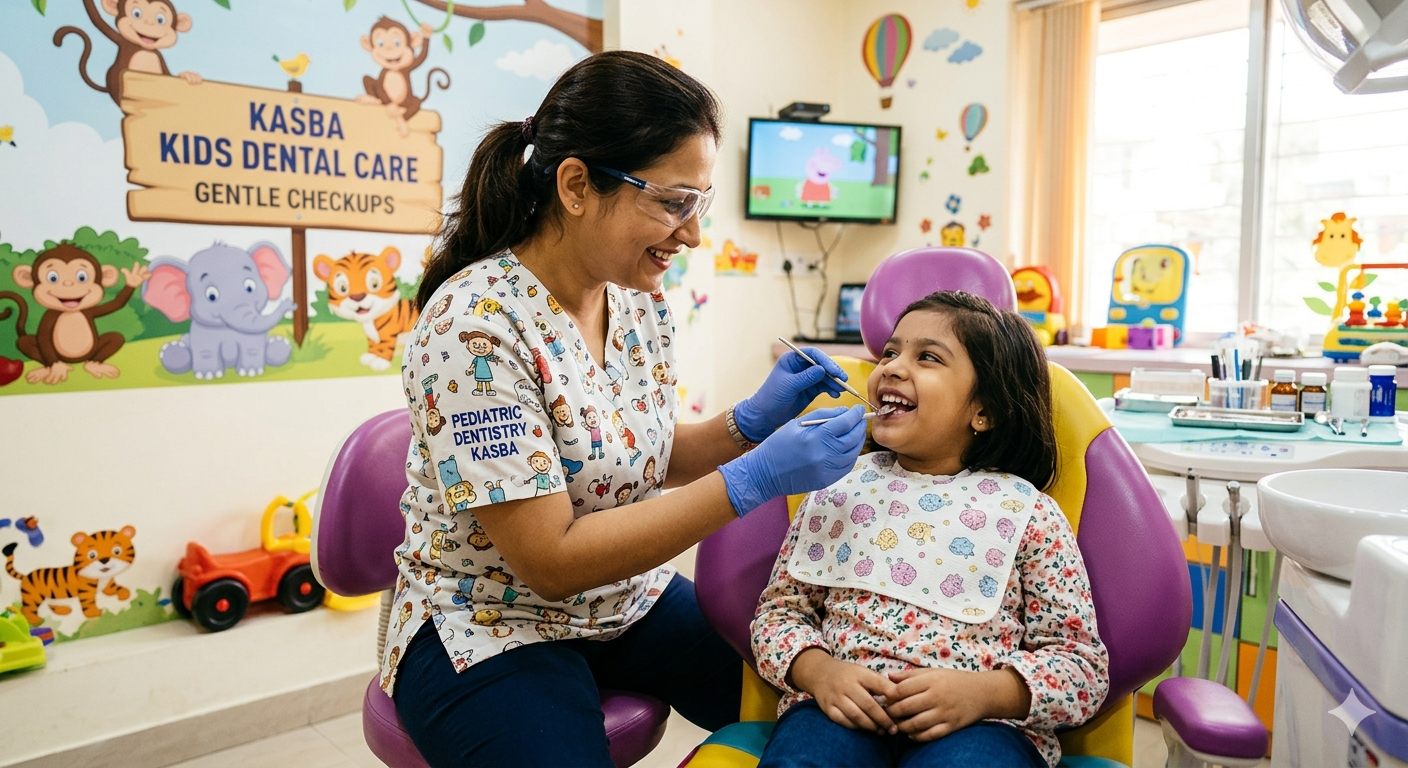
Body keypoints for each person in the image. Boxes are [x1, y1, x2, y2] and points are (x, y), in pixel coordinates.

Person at [383, 50, 870, 767]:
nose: (693, 233)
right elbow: (549, 560)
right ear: (577, 185)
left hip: (620, 600)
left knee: (805, 705)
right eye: (674, 202)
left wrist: (749, 424)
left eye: (698, 204)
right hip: (486, 619)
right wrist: (756, 479)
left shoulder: (636, 298)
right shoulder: (474, 327)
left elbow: (625, 455)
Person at [751, 292, 1109, 768]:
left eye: (928, 357)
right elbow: (778, 615)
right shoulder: (836, 487)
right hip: (832, 714)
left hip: (983, 729)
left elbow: (1081, 666)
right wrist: (819, 673)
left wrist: (986, 694)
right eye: (891, 353)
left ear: (984, 411)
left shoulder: (1028, 514)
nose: (893, 368)